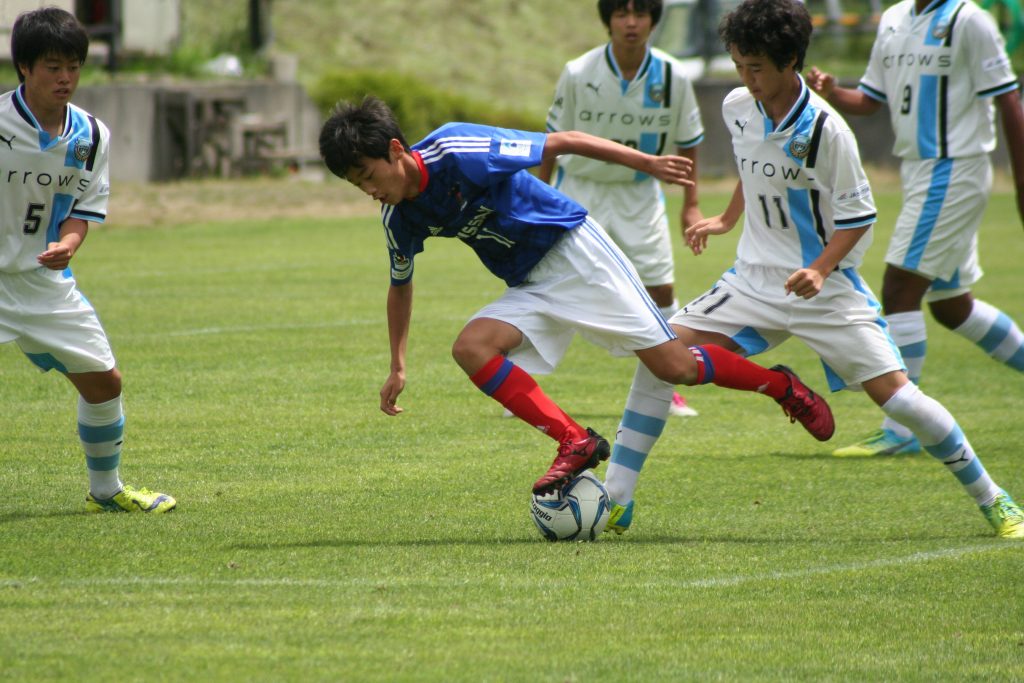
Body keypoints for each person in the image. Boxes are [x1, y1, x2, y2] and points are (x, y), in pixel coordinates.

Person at [602, 0, 1024, 539]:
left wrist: (822, 270)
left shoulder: (829, 131)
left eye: (757, 67)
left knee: (901, 400)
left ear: (791, 60)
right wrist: (727, 220)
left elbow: (859, 217)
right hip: (752, 280)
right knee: (661, 358)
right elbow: (756, 171)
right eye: (739, 65)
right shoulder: (737, 106)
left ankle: (994, 499)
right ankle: (616, 497)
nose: (747, 78)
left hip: (825, 293)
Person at [319, 96, 836, 495]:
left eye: (367, 175)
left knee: (675, 367)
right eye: (355, 184)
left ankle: (780, 386)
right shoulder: (397, 215)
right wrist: (398, 365)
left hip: (574, 252)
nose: (369, 189)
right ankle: (575, 440)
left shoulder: (457, 150)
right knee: (470, 347)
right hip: (530, 283)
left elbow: (563, 141)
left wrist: (648, 164)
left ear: (394, 151)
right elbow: (400, 285)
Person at [805, 0, 1024, 457]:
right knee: (950, 304)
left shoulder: (970, 19)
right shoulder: (894, 18)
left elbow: (1008, 97)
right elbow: (870, 100)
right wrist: (832, 90)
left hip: (954, 168)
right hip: (920, 171)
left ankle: (904, 430)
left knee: (900, 287)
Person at [1, 8, 175, 513]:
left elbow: (82, 209)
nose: (65, 77)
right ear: (25, 69)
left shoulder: (92, 136)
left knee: (104, 382)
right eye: (53, 66)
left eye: (74, 66)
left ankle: (107, 491)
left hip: (41, 281)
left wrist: (69, 245)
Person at [541, 0, 703, 418]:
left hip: (639, 193)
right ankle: (524, 375)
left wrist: (692, 203)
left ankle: (667, 388)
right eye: (620, 14)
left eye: (640, 14)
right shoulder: (579, 71)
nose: (631, 23)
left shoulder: (673, 75)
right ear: (608, 20)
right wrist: (537, 198)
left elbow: (689, 140)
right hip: (580, 190)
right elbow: (552, 141)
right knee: (553, 281)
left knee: (660, 288)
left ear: (653, 20)